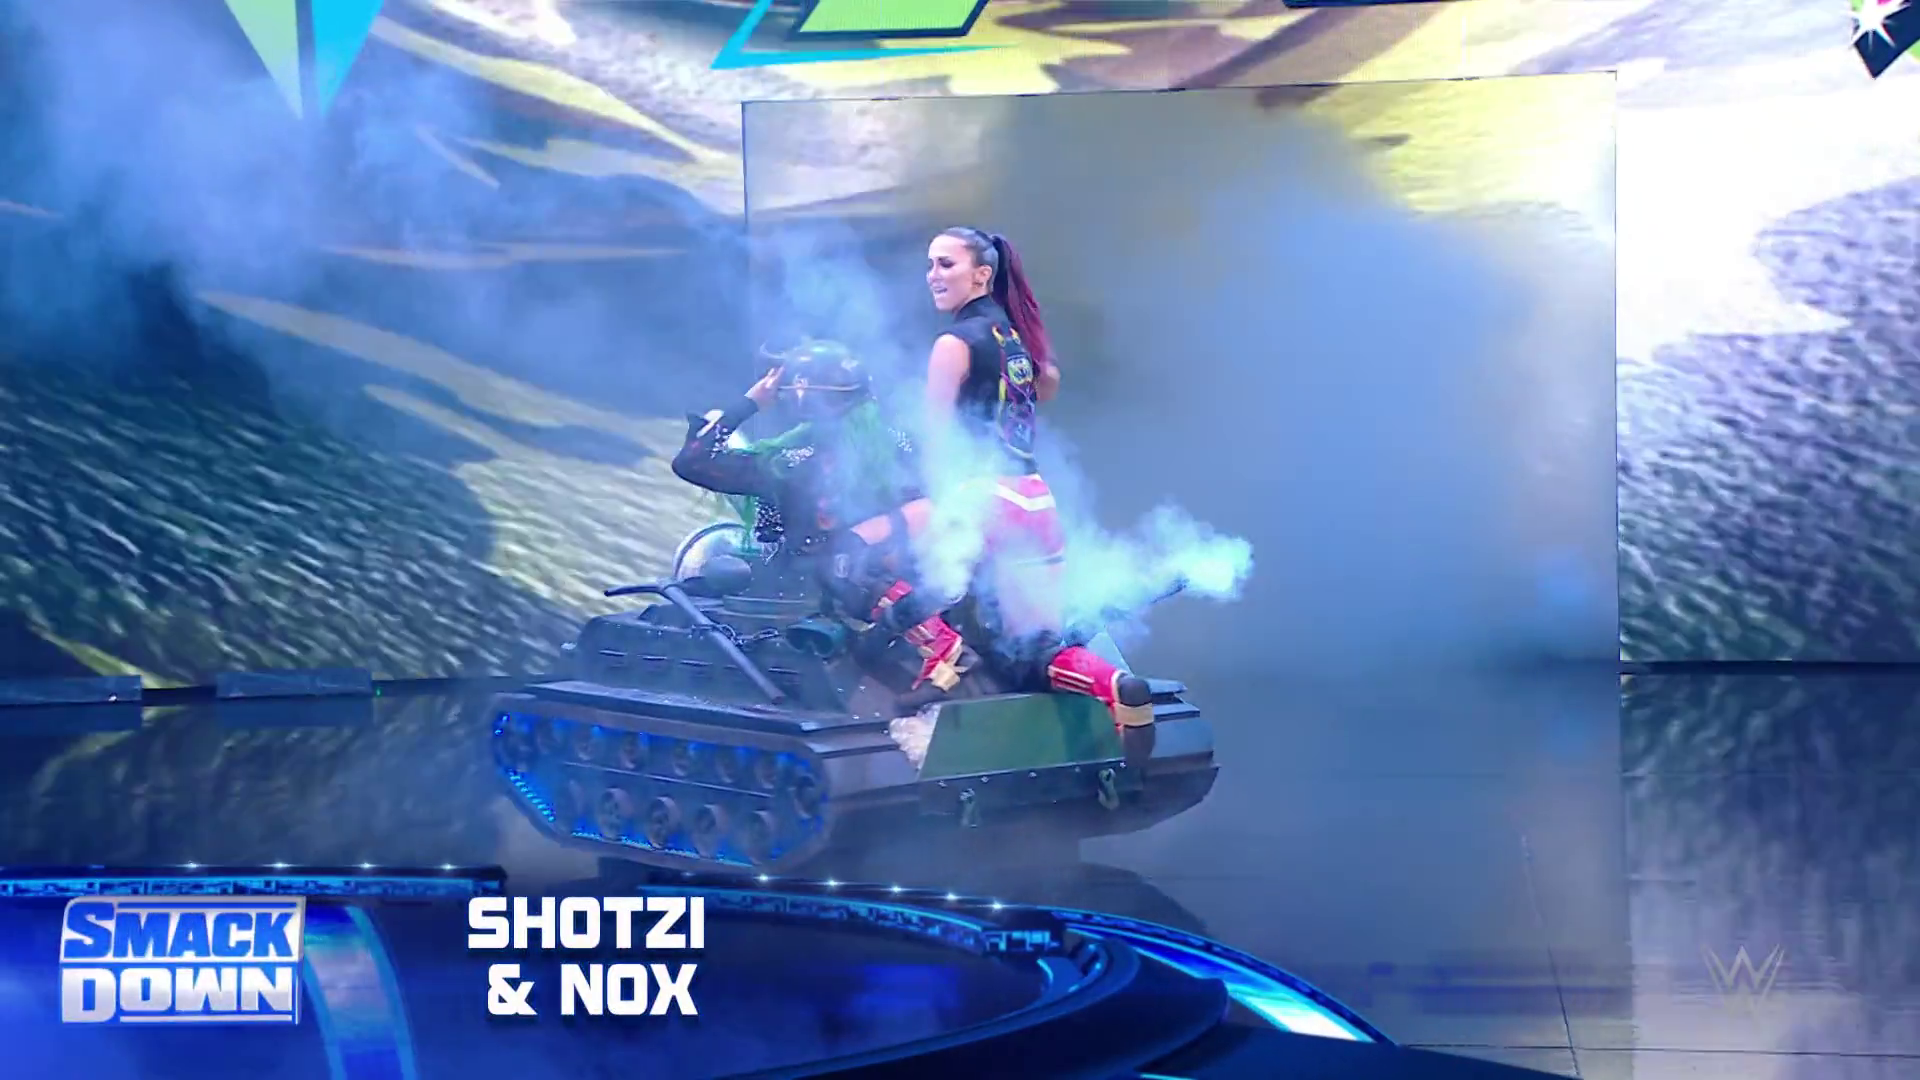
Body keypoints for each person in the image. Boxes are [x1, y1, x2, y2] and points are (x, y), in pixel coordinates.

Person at [911, 225, 1154, 727]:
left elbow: (936, 440)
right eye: (930, 264)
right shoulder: (1017, 339)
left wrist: (928, 503)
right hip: (1035, 499)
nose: (933, 274)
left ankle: (943, 665)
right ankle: (1117, 689)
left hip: (981, 501)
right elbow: (1046, 388)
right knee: (1037, 651)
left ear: (982, 275)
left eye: (946, 264)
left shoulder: (954, 343)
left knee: (865, 561)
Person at [670, 339, 973, 693]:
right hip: (898, 578)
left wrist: (751, 402)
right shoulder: (896, 441)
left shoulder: (791, 462)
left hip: (815, 588)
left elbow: (691, 461)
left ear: (803, 398)